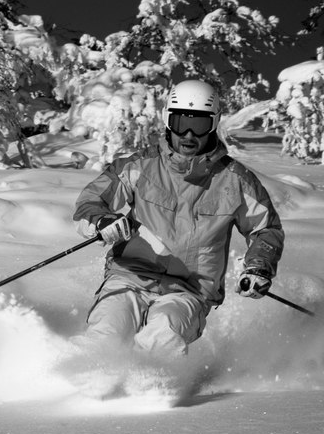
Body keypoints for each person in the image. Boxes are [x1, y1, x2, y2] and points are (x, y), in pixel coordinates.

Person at [71, 78, 284, 357]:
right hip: (128, 277)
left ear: (214, 124)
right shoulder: (140, 166)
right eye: (180, 122)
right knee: (106, 334)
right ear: (167, 120)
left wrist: (259, 265)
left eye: (199, 125)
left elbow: (266, 228)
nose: (189, 135)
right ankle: (80, 382)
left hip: (189, 291)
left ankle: (156, 389)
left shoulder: (236, 181)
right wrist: (101, 220)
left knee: (164, 335)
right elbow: (92, 199)